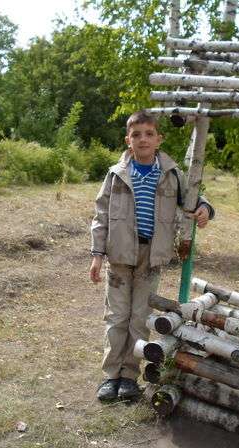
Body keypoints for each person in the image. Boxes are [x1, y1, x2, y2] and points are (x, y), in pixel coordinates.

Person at [89, 111, 214, 401]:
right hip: (119, 255)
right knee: (117, 316)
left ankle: (130, 376)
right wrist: (97, 255)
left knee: (140, 317)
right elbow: (100, 216)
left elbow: (193, 198)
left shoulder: (171, 174)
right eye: (136, 134)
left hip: (151, 257)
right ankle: (111, 376)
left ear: (159, 139)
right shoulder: (115, 175)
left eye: (148, 134)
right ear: (127, 140)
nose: (142, 139)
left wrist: (205, 208)